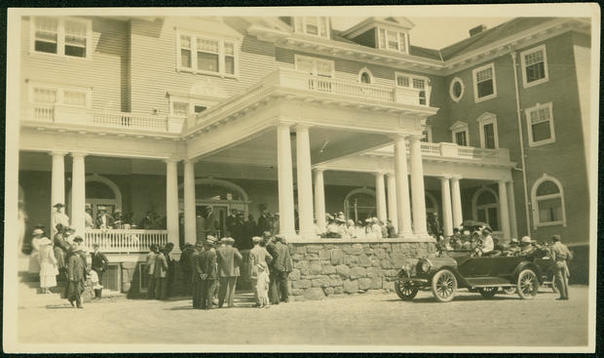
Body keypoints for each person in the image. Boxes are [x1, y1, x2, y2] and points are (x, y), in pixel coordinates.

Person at [216, 237, 243, 308]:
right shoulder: (234, 250)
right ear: (232, 243)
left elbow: (217, 260)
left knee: (222, 288)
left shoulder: (219, 250)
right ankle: (230, 303)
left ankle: (220, 303)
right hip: (233, 270)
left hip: (222, 271)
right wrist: (236, 264)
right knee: (232, 288)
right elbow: (241, 258)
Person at [249, 236, 273, 306]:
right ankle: (265, 302)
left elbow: (251, 263)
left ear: (253, 242)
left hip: (256, 269)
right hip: (264, 269)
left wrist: (250, 272)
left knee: (256, 286)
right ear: (259, 242)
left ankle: (258, 302)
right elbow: (270, 257)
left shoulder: (252, 251)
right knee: (264, 286)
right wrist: (266, 263)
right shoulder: (263, 249)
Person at [65, 236, 86, 308]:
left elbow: (82, 266)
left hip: (81, 275)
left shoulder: (80, 257)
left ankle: (71, 298)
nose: (81, 252)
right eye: (80, 251)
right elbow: (70, 268)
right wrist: (71, 276)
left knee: (82, 289)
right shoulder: (72, 257)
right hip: (75, 276)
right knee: (77, 290)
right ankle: (79, 304)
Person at [550, 234, 572, 300]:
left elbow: (553, 258)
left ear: (553, 240)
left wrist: (552, 264)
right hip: (564, 263)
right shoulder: (564, 246)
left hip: (557, 263)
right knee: (565, 280)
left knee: (559, 280)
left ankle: (562, 296)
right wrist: (565, 261)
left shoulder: (553, 247)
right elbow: (570, 256)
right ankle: (567, 295)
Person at [272, 235, 293, 304]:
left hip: (276, 267)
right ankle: (285, 298)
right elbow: (287, 258)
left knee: (276, 282)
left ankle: (277, 298)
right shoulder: (285, 247)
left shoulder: (274, 246)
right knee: (284, 283)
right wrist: (288, 268)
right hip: (284, 267)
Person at [199, 236, 218, 310]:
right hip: (211, 275)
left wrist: (203, 274)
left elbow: (200, 265)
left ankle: (202, 305)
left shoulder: (201, 254)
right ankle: (209, 305)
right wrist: (208, 273)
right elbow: (212, 266)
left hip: (203, 275)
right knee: (210, 290)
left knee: (204, 290)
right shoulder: (212, 254)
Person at [191, 241, 204, 309]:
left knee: (196, 290)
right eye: (199, 247)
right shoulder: (196, 255)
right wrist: (201, 273)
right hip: (197, 275)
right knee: (198, 290)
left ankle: (195, 304)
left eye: (201, 247)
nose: (201, 248)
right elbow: (197, 266)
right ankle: (197, 304)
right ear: (196, 247)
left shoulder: (194, 254)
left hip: (195, 274)